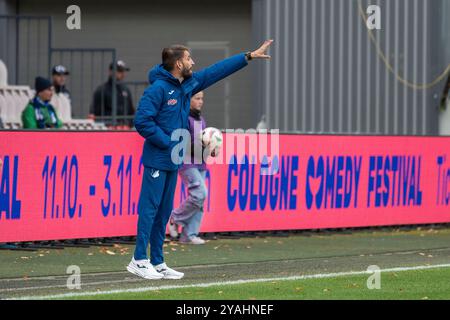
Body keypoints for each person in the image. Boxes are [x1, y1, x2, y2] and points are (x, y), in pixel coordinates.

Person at [127, 40, 273, 280]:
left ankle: (157, 261)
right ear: (178, 63)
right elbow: (142, 122)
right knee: (150, 210)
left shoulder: (188, 84)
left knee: (163, 213)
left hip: (174, 160)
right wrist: (169, 142)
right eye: (188, 58)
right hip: (157, 158)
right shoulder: (158, 89)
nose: (193, 62)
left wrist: (247, 56)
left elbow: (216, 71)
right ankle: (139, 259)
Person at [169, 91, 209, 245]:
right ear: (189, 100)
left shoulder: (201, 120)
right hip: (186, 163)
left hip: (200, 162)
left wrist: (211, 147)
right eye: (197, 98)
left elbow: (203, 143)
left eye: (202, 99)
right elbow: (181, 143)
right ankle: (176, 217)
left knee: (200, 199)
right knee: (200, 194)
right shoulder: (184, 119)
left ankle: (189, 235)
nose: (200, 102)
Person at [90, 60, 134, 127]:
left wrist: (128, 125)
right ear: (110, 72)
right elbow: (95, 114)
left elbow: (131, 111)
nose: (122, 74)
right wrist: (107, 125)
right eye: (119, 71)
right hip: (108, 130)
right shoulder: (101, 90)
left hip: (124, 129)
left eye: (123, 71)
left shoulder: (126, 90)